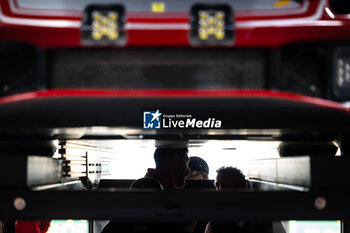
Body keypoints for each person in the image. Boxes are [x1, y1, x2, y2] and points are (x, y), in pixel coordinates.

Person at [101, 146, 193, 233]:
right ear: (175, 159)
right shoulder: (167, 197)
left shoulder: (140, 189)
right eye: (186, 162)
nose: (188, 171)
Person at [206, 167, 285, 233]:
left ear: (241, 185)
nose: (219, 189)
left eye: (224, 185)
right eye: (217, 185)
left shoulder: (261, 217)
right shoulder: (215, 223)